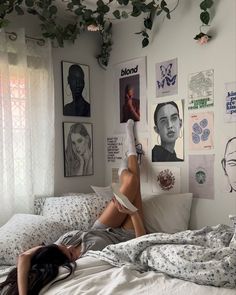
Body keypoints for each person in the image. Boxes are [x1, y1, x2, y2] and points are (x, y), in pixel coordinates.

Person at [0, 119, 146, 295]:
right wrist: (133, 214)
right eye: (69, 254)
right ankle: (128, 153)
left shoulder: (59, 247)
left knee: (130, 182)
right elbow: (140, 244)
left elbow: (23, 257)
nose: (69, 248)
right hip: (125, 235)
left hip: (100, 227)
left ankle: (125, 168)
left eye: (64, 247)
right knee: (133, 182)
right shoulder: (88, 261)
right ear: (64, 265)